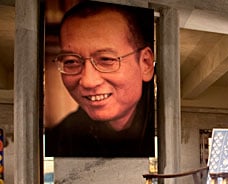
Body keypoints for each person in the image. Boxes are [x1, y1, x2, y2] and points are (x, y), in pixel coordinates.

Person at [45, 1, 155, 157]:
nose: (88, 81)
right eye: (71, 62)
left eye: (106, 59)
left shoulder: (164, 124)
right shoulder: (60, 139)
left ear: (146, 63)